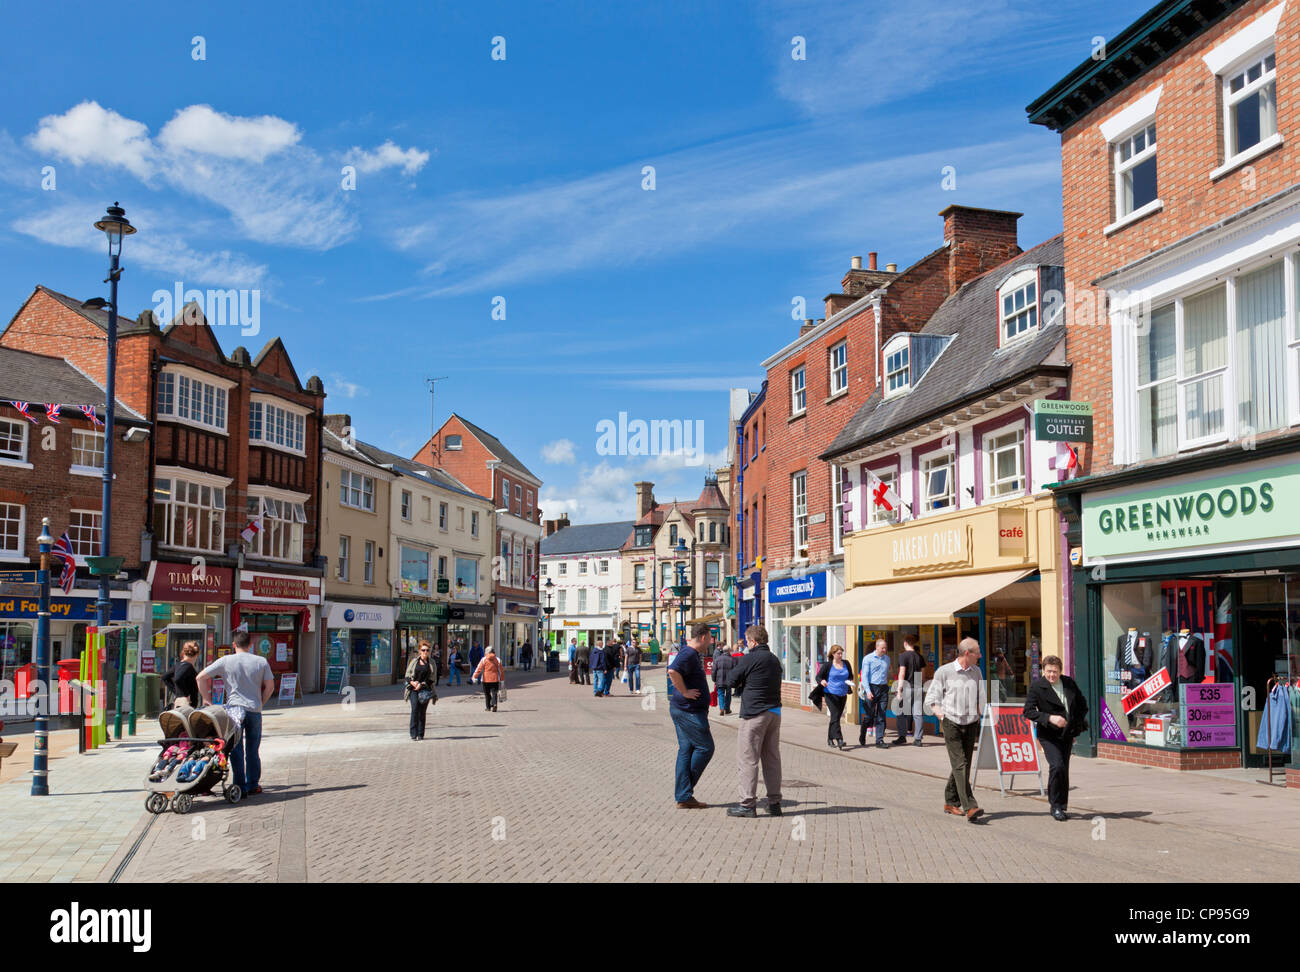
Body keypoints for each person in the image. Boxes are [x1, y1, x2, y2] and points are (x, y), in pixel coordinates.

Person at [197, 631, 274, 797]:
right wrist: (261, 702)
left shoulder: (226, 660)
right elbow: (270, 686)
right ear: (250, 645)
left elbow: (200, 677)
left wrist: (207, 700)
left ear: (234, 645)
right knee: (253, 750)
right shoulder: (261, 661)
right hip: (254, 710)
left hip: (234, 711)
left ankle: (239, 785)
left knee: (236, 750)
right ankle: (253, 784)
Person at [925, 637, 987, 822]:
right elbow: (931, 699)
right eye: (977, 652)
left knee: (963, 764)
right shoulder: (944, 672)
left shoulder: (976, 671)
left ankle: (950, 801)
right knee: (960, 764)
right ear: (967, 653)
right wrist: (942, 717)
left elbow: (980, 696)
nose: (980, 655)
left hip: (970, 723)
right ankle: (970, 806)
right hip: (951, 723)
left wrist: (979, 714)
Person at [724, 625, 783, 817]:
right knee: (772, 758)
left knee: (748, 759)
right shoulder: (774, 659)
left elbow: (731, 680)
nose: (746, 644)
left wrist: (744, 680)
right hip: (774, 712)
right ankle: (774, 803)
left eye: (747, 641)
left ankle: (747, 804)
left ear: (753, 641)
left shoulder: (750, 658)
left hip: (755, 713)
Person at [1023, 655, 1089, 821]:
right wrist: (1049, 718)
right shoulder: (1038, 687)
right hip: (1048, 734)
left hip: (1066, 733)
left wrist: (1075, 726)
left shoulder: (1068, 683)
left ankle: (1062, 805)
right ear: (1043, 671)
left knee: (1063, 769)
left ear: (1061, 671)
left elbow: (1082, 705)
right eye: (1048, 671)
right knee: (1057, 766)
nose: (1052, 675)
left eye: (1055, 672)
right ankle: (1055, 806)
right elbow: (1028, 711)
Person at [667, 623, 715, 809]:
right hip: (689, 711)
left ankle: (684, 796)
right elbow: (672, 671)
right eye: (710, 637)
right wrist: (685, 691)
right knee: (705, 747)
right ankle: (684, 791)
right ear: (703, 637)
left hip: (684, 709)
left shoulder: (692, 654)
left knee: (686, 750)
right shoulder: (688, 653)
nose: (711, 641)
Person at [815, 645, 854, 750]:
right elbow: (818, 677)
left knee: (835, 717)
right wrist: (822, 681)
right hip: (830, 694)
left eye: (841, 653)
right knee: (835, 715)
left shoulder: (846, 663)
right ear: (833, 654)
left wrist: (850, 681)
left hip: (842, 693)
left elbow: (851, 675)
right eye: (838, 653)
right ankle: (839, 739)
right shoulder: (828, 665)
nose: (840, 655)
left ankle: (829, 738)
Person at [858, 639, 892, 748]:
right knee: (869, 716)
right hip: (871, 688)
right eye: (882, 648)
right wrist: (868, 691)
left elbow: (887, 673)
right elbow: (864, 676)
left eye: (885, 648)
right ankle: (862, 734)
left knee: (881, 715)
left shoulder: (887, 659)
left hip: (883, 688)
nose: (884, 650)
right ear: (877, 647)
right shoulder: (868, 659)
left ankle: (879, 740)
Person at [893, 634, 926, 746]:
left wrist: (899, 689)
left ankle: (902, 737)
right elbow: (923, 675)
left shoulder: (903, 656)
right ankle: (918, 739)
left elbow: (902, 672)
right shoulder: (919, 656)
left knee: (901, 712)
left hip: (906, 687)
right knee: (918, 713)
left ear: (905, 643)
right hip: (917, 686)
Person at [404, 641, 437, 740]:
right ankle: (413, 733)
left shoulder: (432, 663)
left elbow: (433, 678)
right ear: (419, 651)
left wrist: (422, 684)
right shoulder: (414, 661)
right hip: (413, 689)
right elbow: (407, 675)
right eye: (423, 650)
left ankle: (421, 734)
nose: (425, 652)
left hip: (425, 690)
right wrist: (413, 683)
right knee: (415, 709)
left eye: (427, 650)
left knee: (422, 712)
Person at [162, 641, 201, 709]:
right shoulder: (188, 666)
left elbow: (165, 677)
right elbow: (178, 679)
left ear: (184, 652)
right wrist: (185, 694)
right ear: (197, 654)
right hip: (187, 704)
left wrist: (177, 691)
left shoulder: (178, 665)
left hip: (179, 701)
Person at [472, 646, 505, 712]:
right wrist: (502, 680)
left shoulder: (484, 659)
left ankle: (488, 707)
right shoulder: (498, 659)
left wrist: (474, 677)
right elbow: (501, 671)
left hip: (485, 679)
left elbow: (479, 669)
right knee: (494, 692)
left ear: (487, 652)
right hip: (495, 679)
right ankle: (494, 704)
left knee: (487, 694)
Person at [712, 641, 736, 715]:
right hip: (729, 680)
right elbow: (735, 671)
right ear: (729, 651)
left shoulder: (718, 659)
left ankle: (722, 708)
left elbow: (714, 670)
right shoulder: (732, 659)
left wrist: (714, 679)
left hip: (719, 680)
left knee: (720, 694)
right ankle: (727, 709)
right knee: (728, 695)